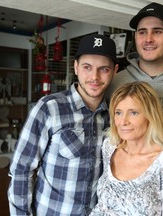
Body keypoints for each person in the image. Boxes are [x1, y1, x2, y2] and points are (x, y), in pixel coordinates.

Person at [7, 34, 119, 215]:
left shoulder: (116, 115)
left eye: (104, 69)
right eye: (87, 67)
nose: (94, 77)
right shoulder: (49, 108)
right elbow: (21, 169)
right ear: (75, 67)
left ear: (115, 71)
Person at [90, 81, 163, 216]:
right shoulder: (109, 147)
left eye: (133, 113)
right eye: (118, 112)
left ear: (150, 116)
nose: (123, 121)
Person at [106, 2, 163, 113]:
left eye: (157, 31)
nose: (148, 39)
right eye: (142, 32)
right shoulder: (114, 82)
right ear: (135, 36)